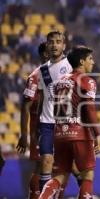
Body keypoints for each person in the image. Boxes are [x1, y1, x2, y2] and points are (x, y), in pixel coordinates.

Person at [39, 45, 100, 199]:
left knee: (59, 175)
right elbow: (90, 109)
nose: (92, 62)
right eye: (90, 59)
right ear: (82, 61)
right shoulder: (87, 81)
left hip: (60, 134)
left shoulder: (60, 81)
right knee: (87, 175)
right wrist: (97, 133)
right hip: (79, 133)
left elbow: (55, 109)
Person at [16, 41, 49, 199]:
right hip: (40, 129)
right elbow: (25, 107)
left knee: (54, 167)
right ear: (44, 54)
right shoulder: (35, 77)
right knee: (40, 166)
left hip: (54, 127)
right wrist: (24, 135)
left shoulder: (58, 74)